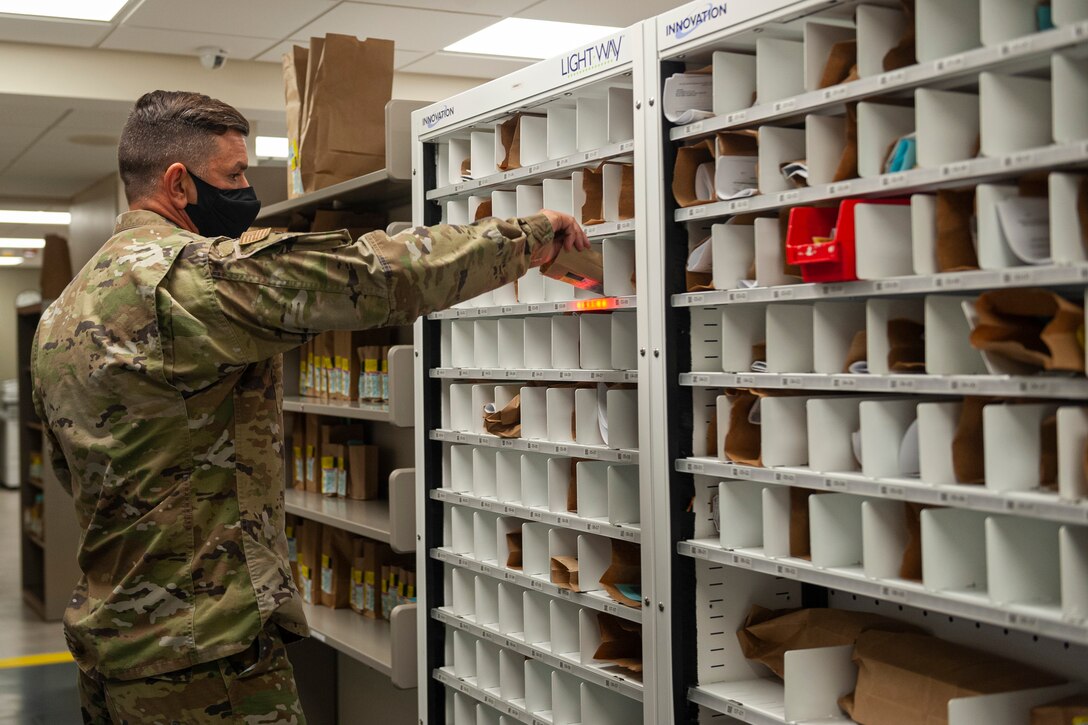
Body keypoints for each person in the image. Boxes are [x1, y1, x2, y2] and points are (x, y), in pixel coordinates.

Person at [31, 90, 590, 724]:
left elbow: (69, 465)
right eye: (235, 175)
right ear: (178, 185)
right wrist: (530, 235)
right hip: (204, 661)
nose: (248, 193)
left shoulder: (65, 310)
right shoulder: (187, 281)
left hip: (114, 647)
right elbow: (375, 277)